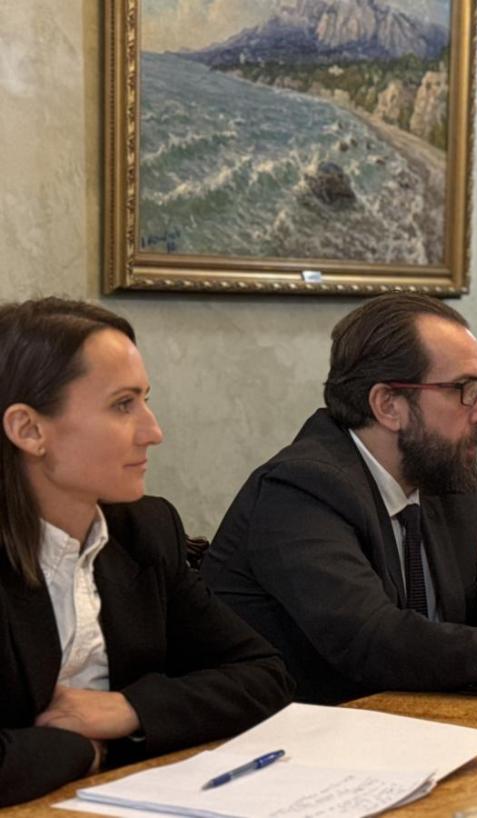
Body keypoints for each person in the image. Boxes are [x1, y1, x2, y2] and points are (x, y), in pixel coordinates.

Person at [203, 294, 477, 705]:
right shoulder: (301, 489)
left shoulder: (444, 480)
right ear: (388, 405)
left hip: (424, 723)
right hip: (299, 732)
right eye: (464, 389)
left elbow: (473, 629)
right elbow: (372, 638)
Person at [0, 298, 293, 807]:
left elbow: (264, 676)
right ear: (29, 429)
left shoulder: (146, 530)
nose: (153, 432)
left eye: (145, 400)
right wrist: (82, 749)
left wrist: (128, 709)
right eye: (122, 405)